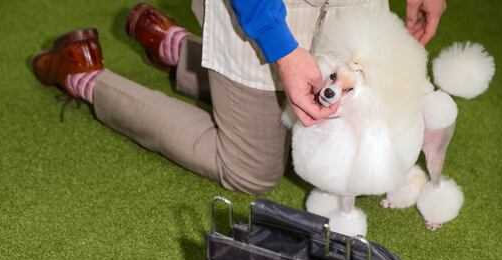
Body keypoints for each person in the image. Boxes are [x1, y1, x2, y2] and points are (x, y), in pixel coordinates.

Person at [31, 0, 446, 194]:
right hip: (261, 11)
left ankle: (172, 46)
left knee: (321, 117)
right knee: (253, 170)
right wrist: (279, 46)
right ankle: (84, 75)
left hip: (351, 13)